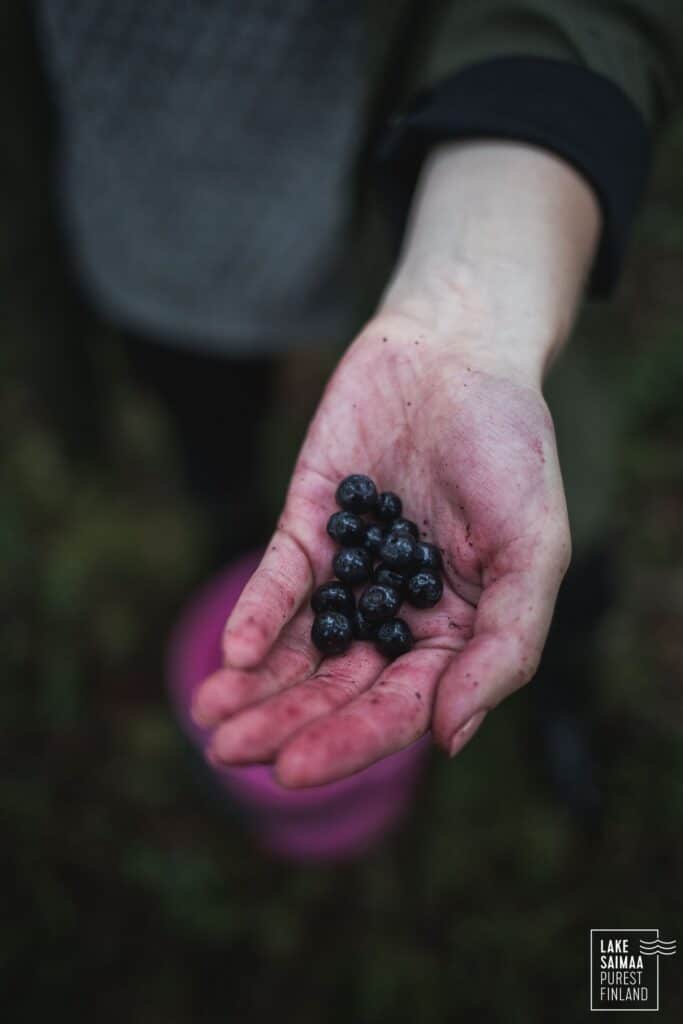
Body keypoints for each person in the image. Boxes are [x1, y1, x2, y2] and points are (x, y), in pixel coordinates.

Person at [27, 2, 682, 855]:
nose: (378, 586)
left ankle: (562, 696)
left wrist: (472, 315)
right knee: (212, 445)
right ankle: (228, 540)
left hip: (421, 224)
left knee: (553, 535)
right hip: (147, 256)